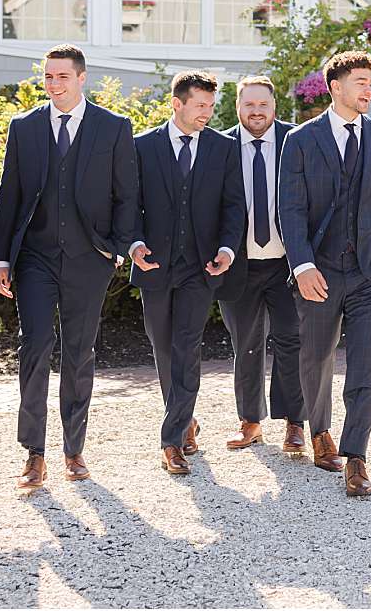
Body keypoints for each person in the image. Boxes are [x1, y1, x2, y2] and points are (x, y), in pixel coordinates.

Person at [0, 44, 140, 490]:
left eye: (61, 77)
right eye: (48, 77)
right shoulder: (25, 127)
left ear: (81, 78)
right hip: (35, 258)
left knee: (79, 353)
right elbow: (10, 194)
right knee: (34, 345)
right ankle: (34, 454)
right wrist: (2, 257)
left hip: (87, 259)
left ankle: (73, 449)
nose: (53, 84)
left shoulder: (112, 128)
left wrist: (115, 248)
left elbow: (126, 194)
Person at [278, 51, 371, 497]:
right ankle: (319, 430)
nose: (368, 89)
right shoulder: (300, 140)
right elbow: (290, 210)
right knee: (315, 357)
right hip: (319, 270)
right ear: (335, 87)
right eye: (360, 81)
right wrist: (302, 265)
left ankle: (357, 456)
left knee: (366, 363)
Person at [129, 71, 246, 475]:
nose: (207, 114)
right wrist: (134, 244)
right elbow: (129, 203)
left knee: (186, 347)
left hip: (201, 267)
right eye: (200, 106)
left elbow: (234, 207)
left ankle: (173, 439)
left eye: (211, 107)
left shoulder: (223, 148)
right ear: (176, 103)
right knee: (163, 347)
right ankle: (185, 417)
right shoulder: (142, 147)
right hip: (155, 265)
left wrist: (228, 250)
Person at [216, 75, 306, 455]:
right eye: (249, 105)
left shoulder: (296, 141)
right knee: (246, 345)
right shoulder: (219, 146)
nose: (256, 112)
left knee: (292, 341)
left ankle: (295, 424)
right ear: (238, 107)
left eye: (263, 105)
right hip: (239, 264)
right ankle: (250, 421)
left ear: (274, 107)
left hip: (287, 264)